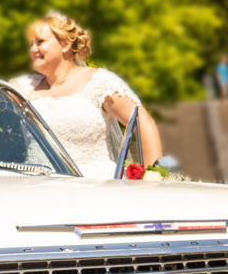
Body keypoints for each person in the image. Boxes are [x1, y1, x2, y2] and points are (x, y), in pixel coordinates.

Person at [16, 11, 164, 179]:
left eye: (40, 42)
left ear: (64, 44)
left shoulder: (99, 81)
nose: (32, 49)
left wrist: (153, 179)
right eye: (31, 44)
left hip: (94, 188)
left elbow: (144, 123)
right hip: (36, 188)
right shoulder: (24, 87)